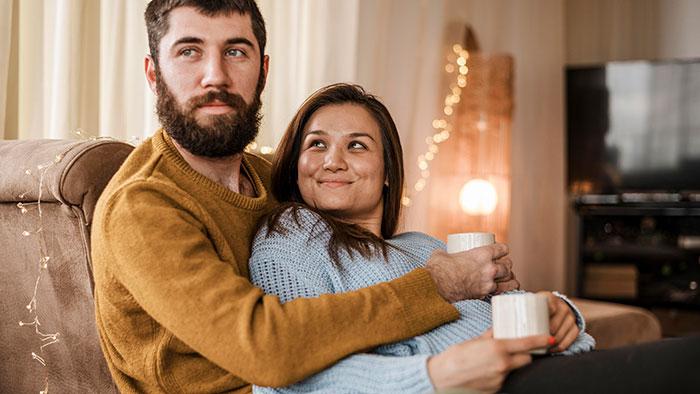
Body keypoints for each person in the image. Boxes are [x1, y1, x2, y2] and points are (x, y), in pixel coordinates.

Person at [91, 1, 520, 393]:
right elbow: (266, 350)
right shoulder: (142, 206)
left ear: (263, 71)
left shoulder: (276, 177)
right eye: (189, 51)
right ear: (153, 73)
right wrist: (440, 285)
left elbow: (359, 261)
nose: (216, 76)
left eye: (236, 51)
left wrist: (492, 291)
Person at [248, 83, 594, 394]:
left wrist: (560, 309)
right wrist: (431, 376)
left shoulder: (423, 245)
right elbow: (286, 376)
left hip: (552, 367)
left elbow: (514, 307)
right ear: (297, 163)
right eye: (317, 144)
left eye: (356, 145)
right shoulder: (289, 231)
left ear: (387, 171)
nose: (333, 161)